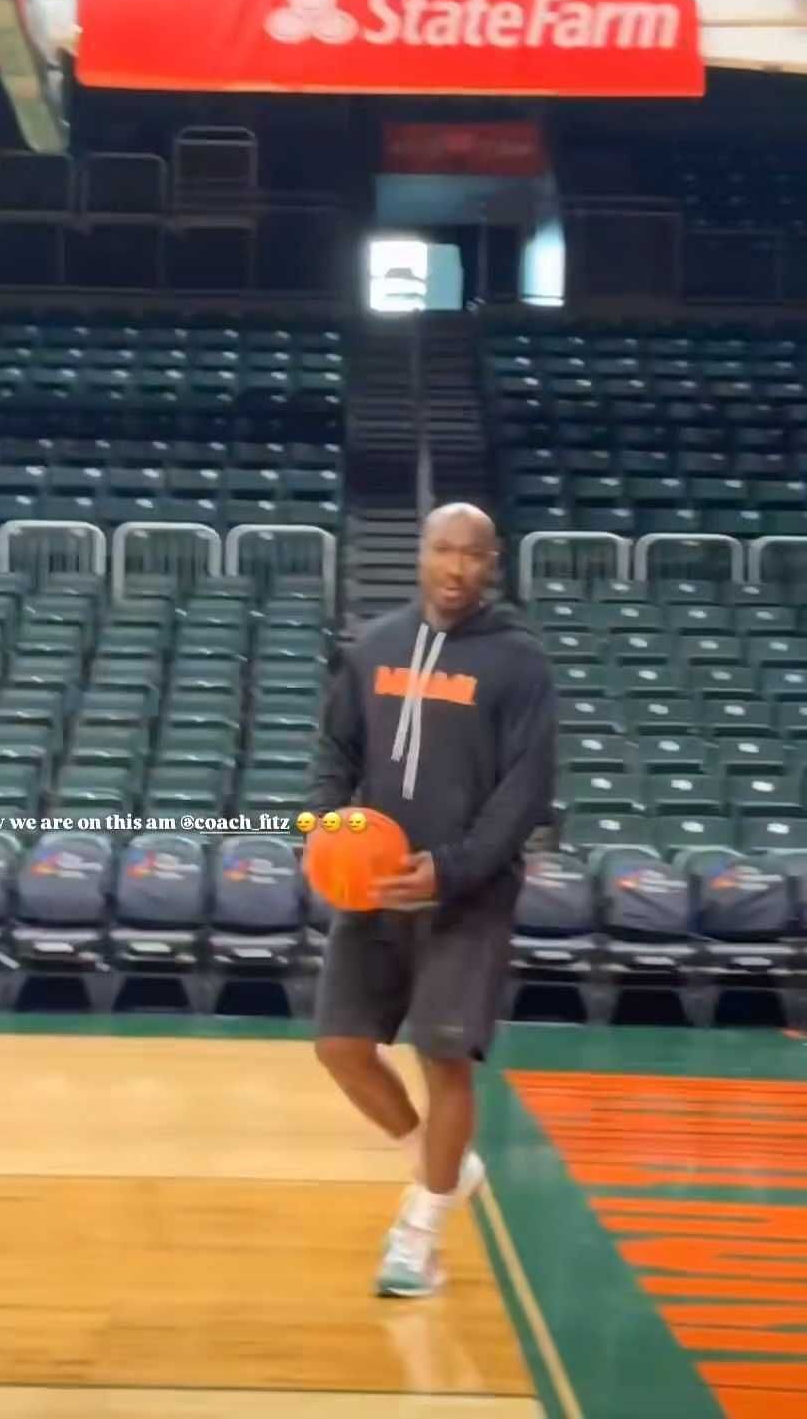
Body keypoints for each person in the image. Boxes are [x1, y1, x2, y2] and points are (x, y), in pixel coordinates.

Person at [305, 502, 556, 1297]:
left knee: (444, 1057)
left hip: (466, 892)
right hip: (374, 884)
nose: (454, 568)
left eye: (470, 555)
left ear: (493, 562)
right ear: (422, 553)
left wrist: (449, 869)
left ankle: (419, 1234)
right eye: (442, 550)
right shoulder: (374, 644)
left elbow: (526, 792)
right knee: (341, 1046)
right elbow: (335, 749)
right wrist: (323, 826)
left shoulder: (519, 661)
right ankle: (441, 1161)